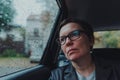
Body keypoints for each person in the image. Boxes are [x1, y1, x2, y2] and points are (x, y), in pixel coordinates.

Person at [49, 18, 120, 80]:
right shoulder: (57, 76)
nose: (67, 42)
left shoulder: (116, 70)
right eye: (62, 39)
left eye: (74, 34)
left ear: (91, 40)